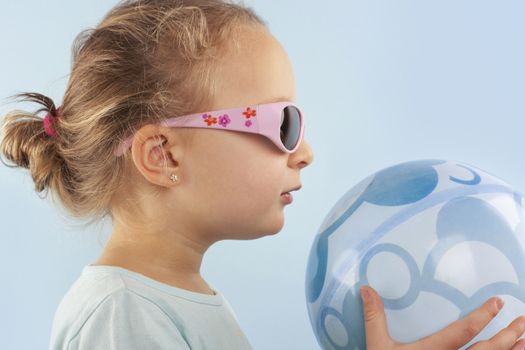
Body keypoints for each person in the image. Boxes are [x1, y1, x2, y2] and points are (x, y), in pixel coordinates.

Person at [0, 1, 523, 349]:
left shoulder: (172, 298)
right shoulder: (120, 314)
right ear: (162, 154)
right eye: (283, 124)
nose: (305, 152)